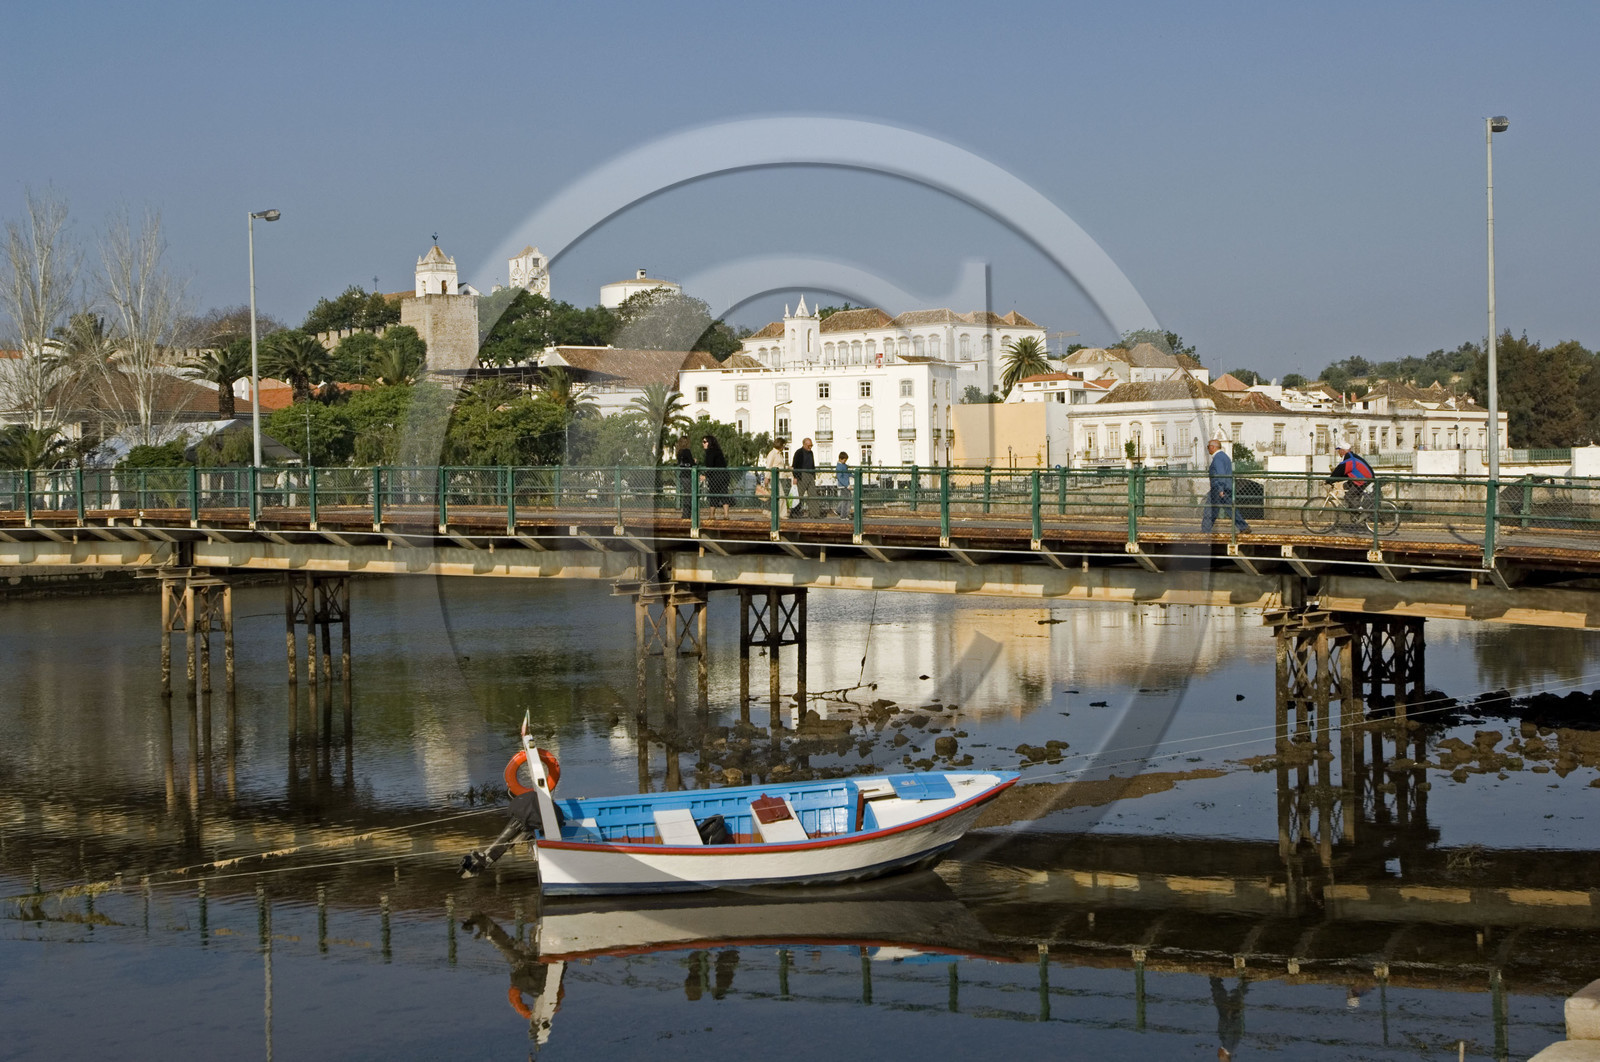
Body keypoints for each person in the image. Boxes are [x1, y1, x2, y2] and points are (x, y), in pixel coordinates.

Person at [1201, 438, 1251, 534]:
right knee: (1230, 509)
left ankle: (1205, 531)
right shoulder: (1224, 456)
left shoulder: (1218, 458)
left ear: (1213, 447)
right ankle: (1243, 527)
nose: (1208, 449)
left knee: (1209, 509)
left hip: (1218, 488)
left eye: (1208, 447)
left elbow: (1221, 473)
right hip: (1226, 487)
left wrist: (1220, 489)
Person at [1326, 444, 1375, 509]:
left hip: (1363, 481)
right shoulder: (1352, 457)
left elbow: (1339, 472)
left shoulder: (1348, 460)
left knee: (1348, 496)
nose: (1338, 452)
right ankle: (1354, 505)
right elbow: (1344, 473)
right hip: (1364, 479)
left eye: (1339, 450)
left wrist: (1328, 481)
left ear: (1343, 451)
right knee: (1346, 485)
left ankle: (1359, 510)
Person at [701, 434, 730, 518]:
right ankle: (726, 515)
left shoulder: (710, 452)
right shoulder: (718, 451)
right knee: (724, 494)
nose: (703, 444)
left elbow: (710, 466)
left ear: (709, 442)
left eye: (705, 442)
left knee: (713, 495)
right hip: (724, 476)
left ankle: (711, 515)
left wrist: (705, 475)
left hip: (716, 477)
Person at [791, 437, 816, 518]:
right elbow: (795, 465)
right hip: (802, 475)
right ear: (804, 444)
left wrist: (814, 475)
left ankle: (814, 514)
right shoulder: (799, 452)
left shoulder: (811, 453)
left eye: (811, 445)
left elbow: (812, 464)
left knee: (813, 494)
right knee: (799, 495)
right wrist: (795, 477)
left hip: (810, 474)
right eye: (809, 445)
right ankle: (794, 512)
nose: (810, 447)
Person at [675, 435, 694, 518]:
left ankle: (686, 513)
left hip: (683, 475)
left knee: (686, 494)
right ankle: (687, 514)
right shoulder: (687, 451)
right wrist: (694, 462)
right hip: (688, 475)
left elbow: (681, 463)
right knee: (689, 494)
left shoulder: (679, 452)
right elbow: (691, 463)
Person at [833, 451, 851, 518]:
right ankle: (843, 515)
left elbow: (847, 473)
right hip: (843, 485)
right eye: (844, 460)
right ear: (840, 459)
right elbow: (840, 477)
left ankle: (838, 510)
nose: (845, 461)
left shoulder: (843, 466)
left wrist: (853, 475)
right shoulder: (840, 467)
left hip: (845, 485)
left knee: (846, 499)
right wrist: (847, 485)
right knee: (845, 501)